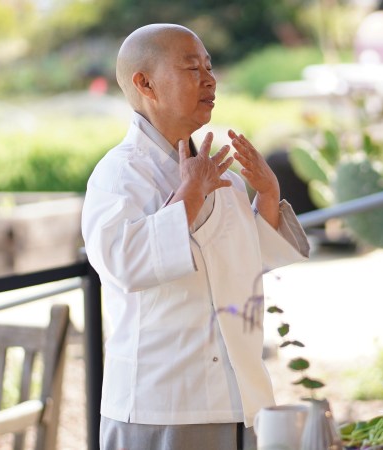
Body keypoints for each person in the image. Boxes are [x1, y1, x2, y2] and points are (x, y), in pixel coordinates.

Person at [81, 24, 310, 449]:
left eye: (209, 65)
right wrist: (188, 195)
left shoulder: (212, 168)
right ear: (144, 83)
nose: (209, 78)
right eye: (191, 67)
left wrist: (268, 194)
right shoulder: (119, 174)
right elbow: (125, 265)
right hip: (165, 403)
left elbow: (244, 263)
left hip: (241, 394)